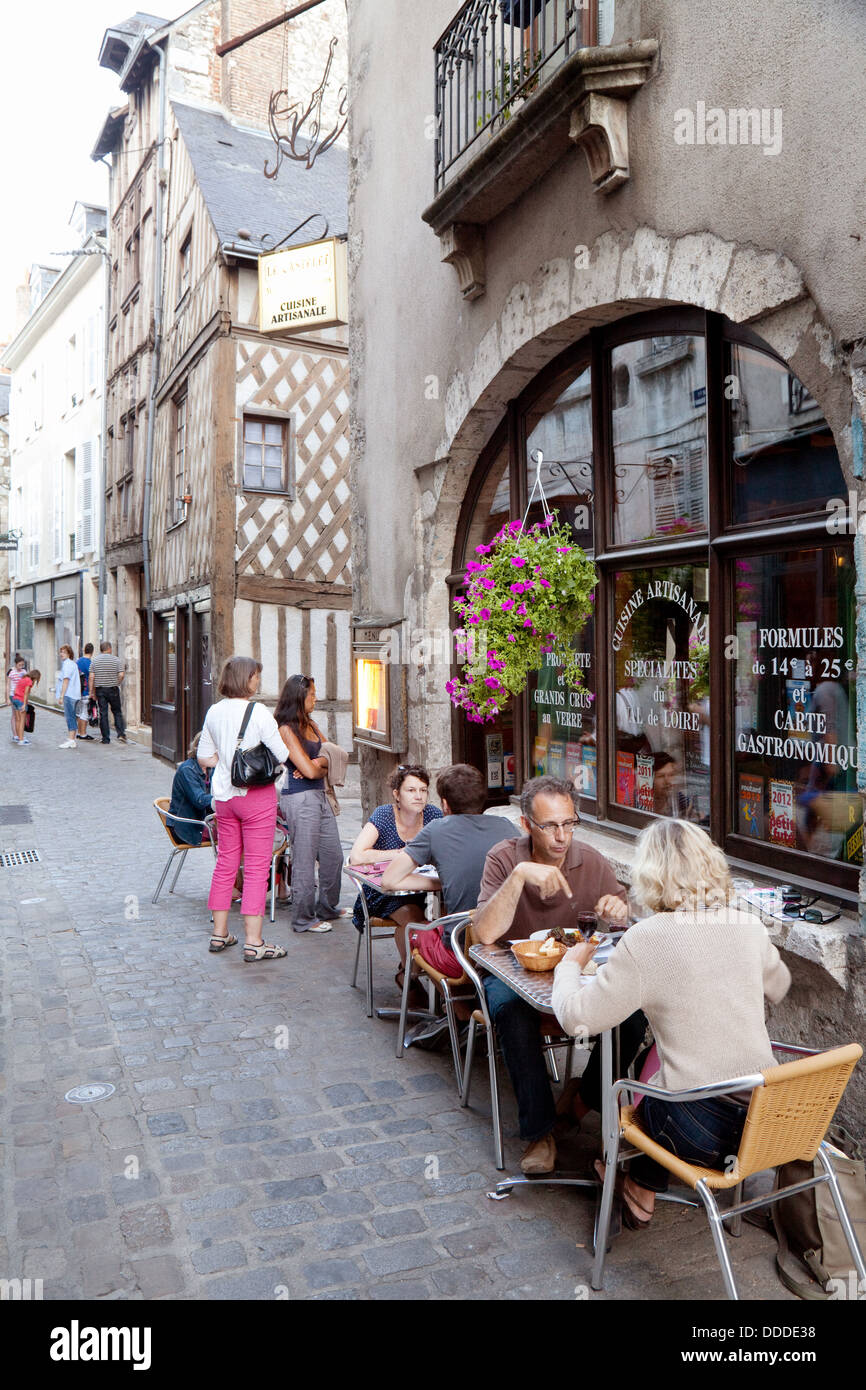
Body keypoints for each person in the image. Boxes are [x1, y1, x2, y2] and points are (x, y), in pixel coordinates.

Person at [552, 819, 791, 1228]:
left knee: (647, 1083)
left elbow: (577, 1017)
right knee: (655, 1058)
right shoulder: (748, 925)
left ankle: (623, 1178)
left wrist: (567, 968)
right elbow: (780, 986)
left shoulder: (647, 938)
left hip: (696, 1134)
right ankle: (641, 1190)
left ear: (651, 874)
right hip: (769, 1124)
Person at [472, 775, 629, 1175]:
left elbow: (621, 920)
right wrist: (520, 875)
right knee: (510, 1010)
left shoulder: (590, 859)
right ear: (527, 825)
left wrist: (616, 910)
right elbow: (485, 934)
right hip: (512, 970)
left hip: (577, 974)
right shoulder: (504, 858)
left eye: (569, 823)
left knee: (635, 1013)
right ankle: (540, 1132)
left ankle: (580, 1100)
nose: (562, 836)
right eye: (550, 826)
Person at [382, 763, 520, 983]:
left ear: (445, 804)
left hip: (460, 956)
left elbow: (389, 880)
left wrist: (438, 883)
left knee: (415, 932)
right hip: (511, 948)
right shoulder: (508, 827)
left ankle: (453, 1007)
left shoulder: (436, 829)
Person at [197, 656, 288, 962]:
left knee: (225, 863)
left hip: (224, 797)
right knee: (257, 868)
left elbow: (203, 757)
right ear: (246, 679)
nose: (258, 681)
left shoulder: (214, 711)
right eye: (255, 676)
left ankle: (219, 934)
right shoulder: (258, 712)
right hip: (256, 797)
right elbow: (282, 753)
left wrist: (226, 762)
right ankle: (254, 941)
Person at [349, 764, 443, 993]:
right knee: (412, 917)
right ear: (397, 794)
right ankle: (409, 974)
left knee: (448, 914)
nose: (418, 796)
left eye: (423, 790)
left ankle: (438, 975)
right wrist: (404, 853)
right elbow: (357, 856)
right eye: (411, 790)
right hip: (383, 892)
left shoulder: (433, 815)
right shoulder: (384, 815)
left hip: (422, 889)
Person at [275, 674, 346, 934]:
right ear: (298, 697)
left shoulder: (312, 725)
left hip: (320, 794)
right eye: (312, 695)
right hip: (298, 797)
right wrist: (316, 766)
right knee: (304, 859)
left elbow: (331, 754)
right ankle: (303, 918)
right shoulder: (285, 729)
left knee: (333, 856)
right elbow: (310, 769)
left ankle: (327, 907)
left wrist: (316, 764)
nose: (316, 699)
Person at [169, 732, 215, 845]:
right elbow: (199, 800)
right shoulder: (187, 769)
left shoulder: (210, 768)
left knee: (237, 826)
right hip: (186, 827)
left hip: (203, 821)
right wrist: (223, 798)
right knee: (233, 833)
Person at [90, 640, 127, 745]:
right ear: (109, 649)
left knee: (103, 713)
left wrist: (92, 692)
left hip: (100, 690)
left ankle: (106, 738)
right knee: (117, 711)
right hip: (113, 689)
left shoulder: (95, 661)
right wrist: (117, 683)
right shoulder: (116, 660)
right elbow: (121, 675)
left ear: (101, 650)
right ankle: (120, 734)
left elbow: (91, 677)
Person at [652, 751, 700, 820]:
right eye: (661, 776)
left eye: (671, 775)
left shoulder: (679, 798)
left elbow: (695, 816)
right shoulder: (638, 799)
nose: (667, 781)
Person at [56, 644, 82, 750]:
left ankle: (71, 740)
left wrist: (61, 696)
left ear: (69, 653)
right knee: (72, 717)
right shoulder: (73, 664)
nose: (61, 654)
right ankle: (72, 739)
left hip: (69, 694)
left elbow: (65, 680)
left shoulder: (67, 664)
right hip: (74, 694)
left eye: (64, 652)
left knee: (70, 717)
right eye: (61, 652)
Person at [11, 667, 40, 745]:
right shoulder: (29, 681)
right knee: (22, 721)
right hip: (20, 701)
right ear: (35, 677)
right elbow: (26, 693)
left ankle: (18, 738)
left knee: (17, 720)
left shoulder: (23, 678)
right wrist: (24, 704)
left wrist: (26, 702)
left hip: (15, 699)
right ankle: (21, 740)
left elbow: (16, 690)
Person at [76, 643, 95, 741]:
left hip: (78, 691)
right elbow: (92, 678)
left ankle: (79, 732)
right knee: (84, 713)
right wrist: (92, 692)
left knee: (79, 713)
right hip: (86, 690)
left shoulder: (78, 661)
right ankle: (83, 734)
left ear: (84, 650)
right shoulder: (90, 663)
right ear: (92, 651)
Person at [7, 654, 26, 742]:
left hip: (21, 696)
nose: (21, 667)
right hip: (13, 696)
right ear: (15, 664)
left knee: (20, 716)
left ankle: (19, 734)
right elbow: (8, 685)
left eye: (22, 665)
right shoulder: (11, 672)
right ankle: (16, 735)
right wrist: (7, 698)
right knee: (15, 715)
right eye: (19, 665)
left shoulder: (24, 672)